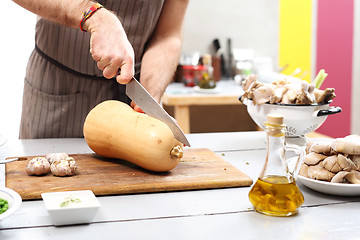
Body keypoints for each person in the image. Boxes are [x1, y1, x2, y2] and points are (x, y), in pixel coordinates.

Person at [12, 0, 189, 138]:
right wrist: (93, 15)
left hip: (129, 99)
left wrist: (151, 91)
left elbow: (167, 34)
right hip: (57, 87)